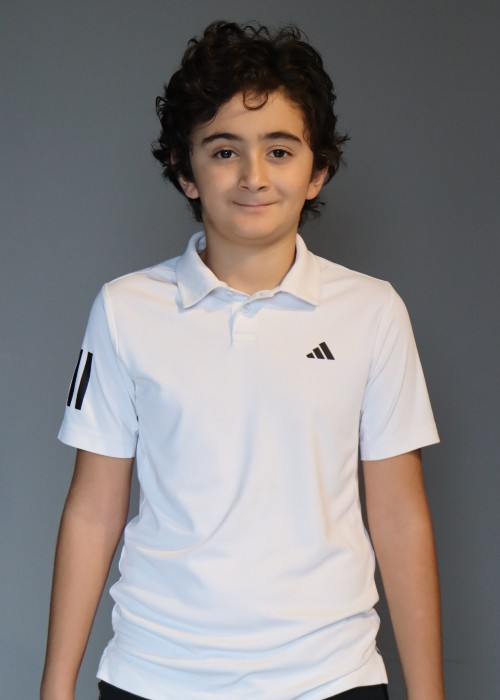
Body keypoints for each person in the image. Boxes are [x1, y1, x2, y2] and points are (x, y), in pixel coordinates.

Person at [41, 21, 445, 700]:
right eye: (225, 150)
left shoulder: (373, 311)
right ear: (185, 171)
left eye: (280, 151)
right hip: (154, 676)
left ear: (316, 172)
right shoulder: (123, 309)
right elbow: (93, 510)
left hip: (331, 678)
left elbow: (401, 516)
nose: (254, 177)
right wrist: (55, 689)